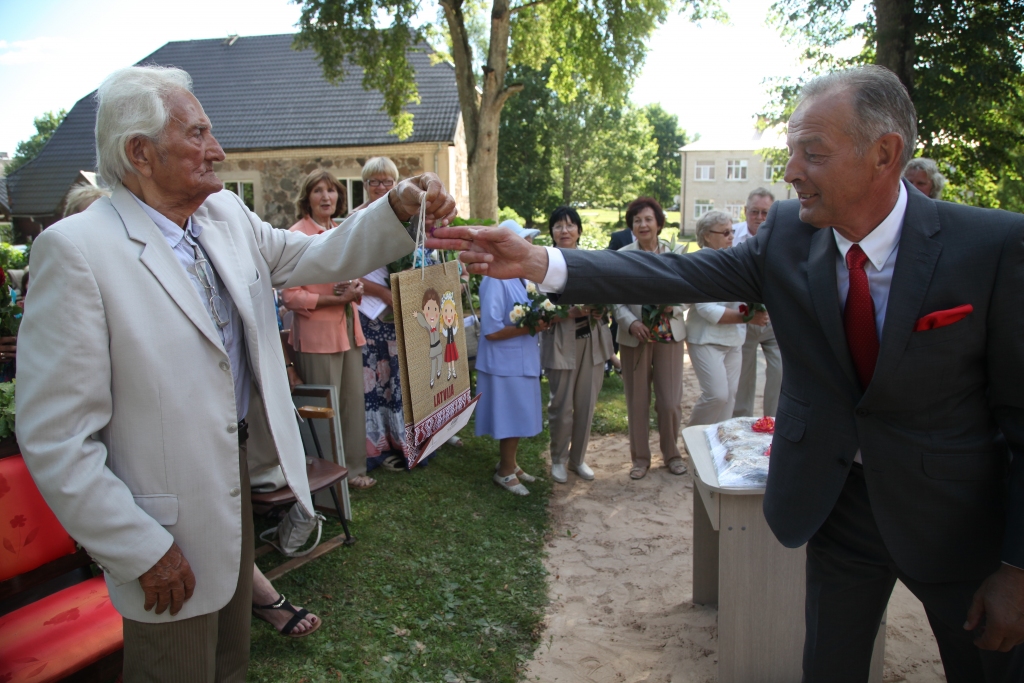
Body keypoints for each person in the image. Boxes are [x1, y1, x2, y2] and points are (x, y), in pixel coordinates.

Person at [431, 65, 1024, 682]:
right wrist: (538, 261)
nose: (792, 172)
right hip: (838, 507)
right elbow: (676, 277)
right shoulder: (790, 237)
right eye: (792, 150)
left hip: (955, 521)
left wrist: (1018, 567)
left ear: (885, 154)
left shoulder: (992, 248)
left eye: (812, 154)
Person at [16, 65, 456, 682]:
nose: (217, 151)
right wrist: (139, 547)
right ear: (139, 152)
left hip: (233, 500)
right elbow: (57, 438)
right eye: (197, 134)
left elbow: (310, 255)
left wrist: (397, 206)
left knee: (229, 665)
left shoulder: (224, 214)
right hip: (160, 530)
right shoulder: (77, 251)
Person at [281, 170, 376, 490]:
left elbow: (352, 280)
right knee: (325, 408)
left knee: (352, 402)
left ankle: (353, 470)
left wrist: (357, 286)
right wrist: (331, 298)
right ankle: (326, 475)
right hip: (316, 336)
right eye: (318, 191)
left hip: (349, 330)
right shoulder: (297, 236)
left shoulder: (340, 231)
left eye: (332, 191)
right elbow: (290, 296)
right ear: (307, 198)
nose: (326, 197)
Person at [613, 197, 688, 480]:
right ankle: (640, 459)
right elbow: (614, 298)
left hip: (669, 335)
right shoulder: (623, 255)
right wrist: (630, 322)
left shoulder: (674, 253)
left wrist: (675, 305)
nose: (642, 225)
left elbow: (689, 289)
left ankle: (672, 454)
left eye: (647, 219)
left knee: (669, 402)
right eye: (637, 220)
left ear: (658, 223)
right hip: (635, 339)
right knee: (637, 401)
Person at [540, 207, 614, 483]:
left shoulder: (590, 261)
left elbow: (606, 295)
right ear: (552, 233)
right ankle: (558, 459)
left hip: (591, 343)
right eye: (558, 226)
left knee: (586, 404)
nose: (565, 231)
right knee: (561, 405)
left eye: (571, 225)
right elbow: (539, 308)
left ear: (579, 231)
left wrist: (599, 309)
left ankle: (577, 459)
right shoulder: (544, 262)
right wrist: (570, 313)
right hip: (560, 343)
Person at [476, 222, 544, 495]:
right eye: (523, 241)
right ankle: (504, 472)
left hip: (520, 358)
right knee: (511, 416)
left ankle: (510, 463)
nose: (527, 247)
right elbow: (491, 330)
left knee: (518, 413)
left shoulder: (522, 278)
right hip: (503, 363)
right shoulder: (494, 280)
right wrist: (533, 326)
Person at [350, 157, 409, 470]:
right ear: (365, 185)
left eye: (387, 182)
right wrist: (382, 292)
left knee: (397, 378)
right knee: (373, 379)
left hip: (397, 312)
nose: (381, 187)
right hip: (369, 312)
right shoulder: (355, 220)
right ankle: (377, 447)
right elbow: (349, 271)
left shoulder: (403, 218)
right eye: (375, 182)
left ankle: (402, 440)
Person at [684, 211, 756, 426]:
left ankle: (716, 448)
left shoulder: (735, 260)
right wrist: (748, 318)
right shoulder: (700, 262)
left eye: (732, 231)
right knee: (716, 395)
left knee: (729, 399)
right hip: (705, 339)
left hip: (734, 340)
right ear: (707, 235)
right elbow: (707, 309)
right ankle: (693, 441)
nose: (731, 236)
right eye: (725, 232)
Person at [731, 188, 782, 418]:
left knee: (780, 371)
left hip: (775, 320)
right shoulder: (731, 237)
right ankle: (741, 425)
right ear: (745, 211)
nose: (760, 218)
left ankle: (774, 424)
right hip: (744, 319)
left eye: (765, 213)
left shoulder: (782, 238)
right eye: (754, 212)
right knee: (743, 378)